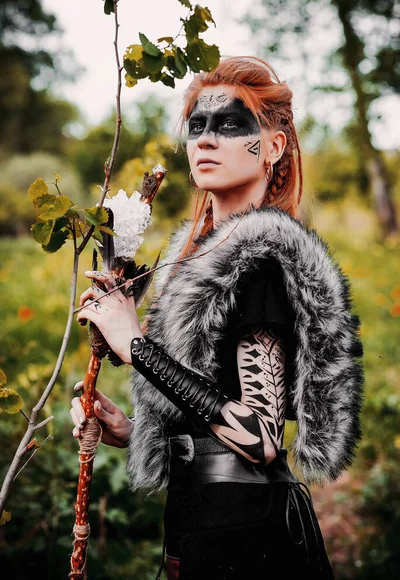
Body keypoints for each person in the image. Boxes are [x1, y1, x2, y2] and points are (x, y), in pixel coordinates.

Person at [70, 56, 364, 580]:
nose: (205, 140)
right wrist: (133, 430)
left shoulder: (262, 261)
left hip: (247, 536)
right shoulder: (198, 263)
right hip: (201, 521)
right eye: (197, 126)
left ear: (274, 147)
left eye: (230, 125)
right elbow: (211, 422)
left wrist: (135, 346)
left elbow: (260, 438)